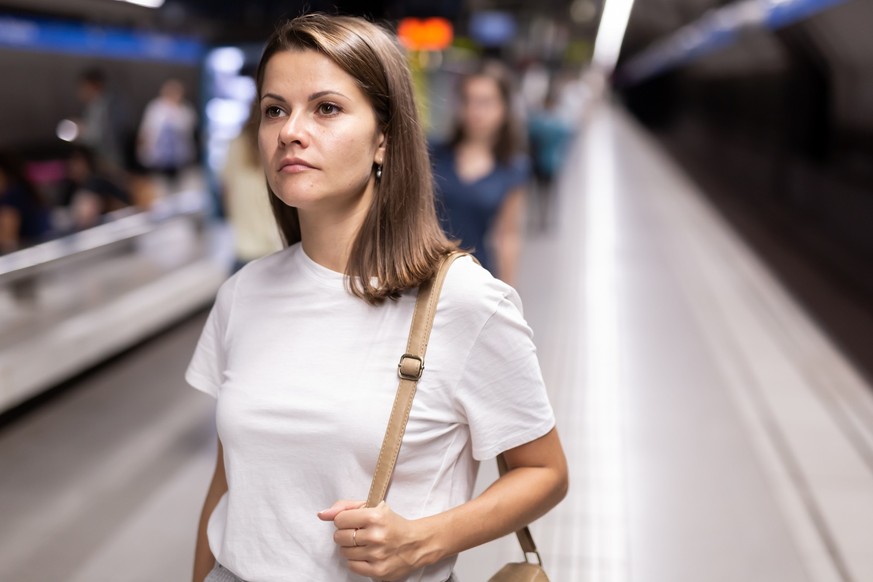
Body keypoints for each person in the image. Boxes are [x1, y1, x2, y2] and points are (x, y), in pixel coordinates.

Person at [186, 14, 567, 582]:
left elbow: (545, 473)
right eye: (274, 109)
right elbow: (229, 483)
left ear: (383, 137)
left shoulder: (464, 303)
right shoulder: (243, 294)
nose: (291, 130)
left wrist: (423, 541)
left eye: (327, 108)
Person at [431, 61, 530, 285]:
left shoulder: (513, 168)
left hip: (473, 278)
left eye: (486, 102)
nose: (475, 111)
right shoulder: (432, 153)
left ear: (505, 108)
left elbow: (508, 236)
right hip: (422, 271)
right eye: (468, 101)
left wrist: (508, 296)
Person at [221, 103, 283, 270]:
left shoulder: (235, 144)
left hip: (243, 250)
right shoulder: (278, 149)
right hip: (275, 251)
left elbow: (226, 189)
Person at [137, 79, 198, 181]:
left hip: (180, 159)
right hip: (157, 158)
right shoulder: (155, 108)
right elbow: (146, 130)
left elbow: (189, 131)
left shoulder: (186, 110)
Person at [0, 154, 52, 253]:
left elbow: (8, 240)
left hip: (31, 255)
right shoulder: (22, 191)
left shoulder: (11, 197)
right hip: (41, 250)